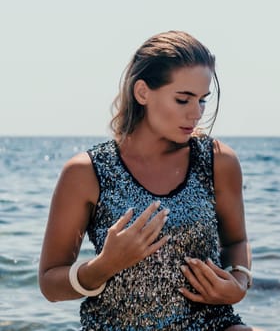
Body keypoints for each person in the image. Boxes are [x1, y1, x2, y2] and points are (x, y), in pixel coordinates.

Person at [39, 30, 260, 330]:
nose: (196, 114)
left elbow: (236, 240)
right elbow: (50, 283)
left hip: (212, 324)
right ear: (142, 93)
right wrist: (105, 265)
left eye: (203, 101)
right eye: (183, 100)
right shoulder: (86, 172)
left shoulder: (218, 161)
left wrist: (238, 282)